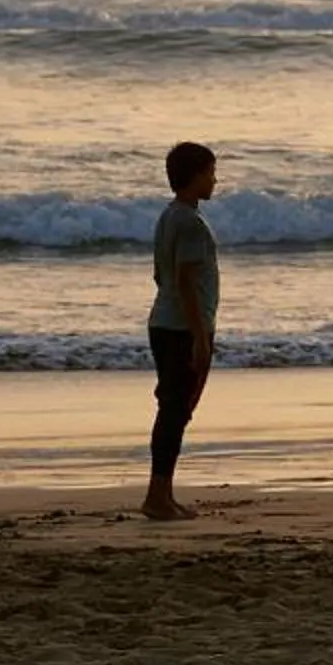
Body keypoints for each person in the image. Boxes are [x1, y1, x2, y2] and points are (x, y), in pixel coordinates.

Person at [143, 140, 220, 521]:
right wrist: (201, 337)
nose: (215, 180)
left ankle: (163, 493)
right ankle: (158, 495)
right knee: (175, 411)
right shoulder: (189, 222)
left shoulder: (170, 216)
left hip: (166, 321)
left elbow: (161, 274)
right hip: (180, 327)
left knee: (174, 410)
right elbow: (186, 281)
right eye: (209, 172)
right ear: (193, 177)